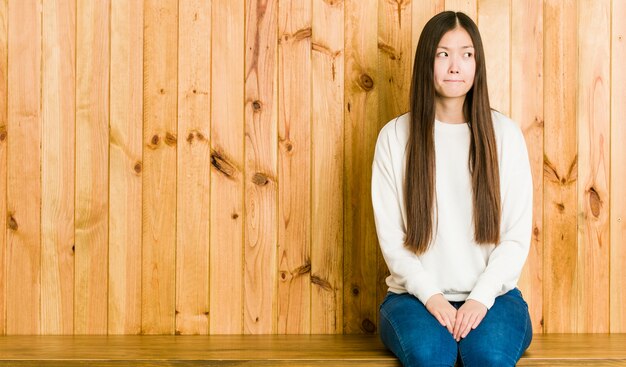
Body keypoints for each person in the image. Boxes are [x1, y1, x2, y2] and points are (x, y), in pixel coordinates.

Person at [371, 11, 533, 367]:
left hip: (496, 298)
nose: (455, 65)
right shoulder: (395, 138)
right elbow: (394, 242)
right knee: (431, 357)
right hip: (413, 299)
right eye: (442, 54)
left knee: (489, 357)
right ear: (426, 62)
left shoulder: (504, 135)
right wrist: (432, 298)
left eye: (466, 54)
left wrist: (480, 298)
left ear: (478, 64)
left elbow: (516, 238)